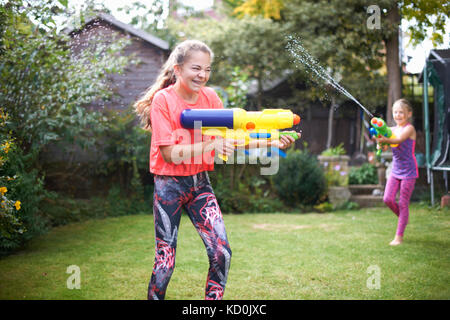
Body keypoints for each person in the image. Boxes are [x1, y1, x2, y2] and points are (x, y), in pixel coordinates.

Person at [134, 39, 298, 299]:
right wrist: (212, 144)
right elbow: (169, 154)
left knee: (221, 252)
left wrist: (272, 140)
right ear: (177, 69)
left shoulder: (211, 98)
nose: (202, 75)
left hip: (199, 184)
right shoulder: (163, 101)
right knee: (166, 260)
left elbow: (232, 137)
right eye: (196, 68)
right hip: (169, 185)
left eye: (207, 69)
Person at [375, 99, 418, 246]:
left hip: (409, 171)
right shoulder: (391, 129)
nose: (398, 115)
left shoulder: (409, 129)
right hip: (396, 170)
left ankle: (399, 237)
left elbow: (398, 140)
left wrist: (385, 139)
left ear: (408, 114)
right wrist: (379, 141)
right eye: (395, 112)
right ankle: (403, 218)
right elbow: (386, 145)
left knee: (403, 202)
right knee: (387, 198)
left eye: (401, 112)